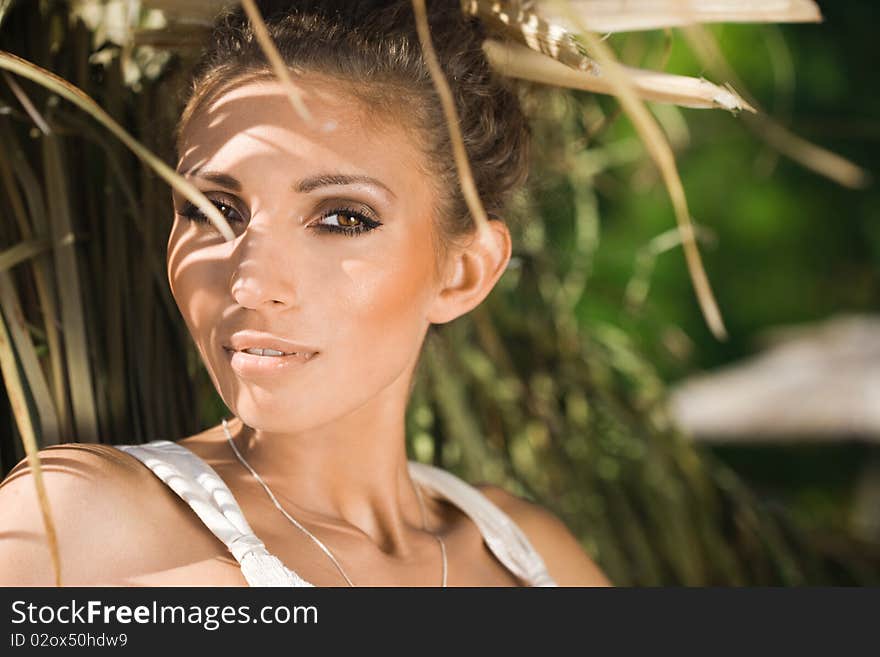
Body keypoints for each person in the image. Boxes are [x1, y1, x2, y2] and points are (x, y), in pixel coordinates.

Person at [0, 0, 611, 587]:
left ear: (464, 272)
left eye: (343, 218)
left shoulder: (531, 556)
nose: (251, 283)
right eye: (213, 209)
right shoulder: (74, 528)